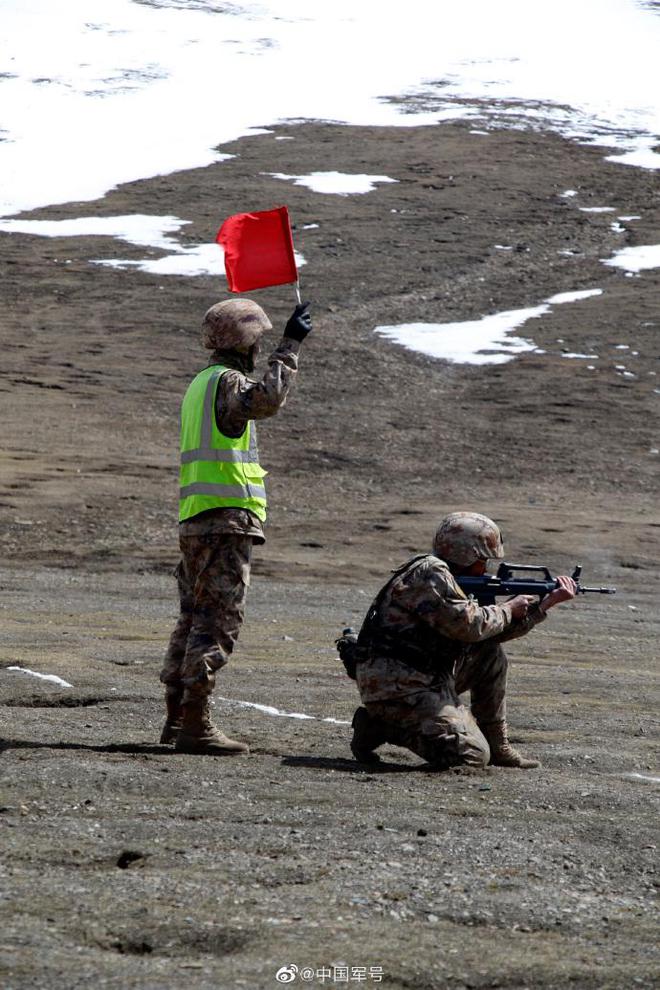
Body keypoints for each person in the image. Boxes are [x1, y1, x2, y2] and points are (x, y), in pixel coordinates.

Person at [159, 297, 312, 755]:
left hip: (198, 519)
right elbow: (265, 401)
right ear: (243, 341)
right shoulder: (227, 382)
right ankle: (195, 727)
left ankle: (176, 720)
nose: (260, 347)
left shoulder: (200, 384)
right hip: (225, 520)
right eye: (258, 339)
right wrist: (291, 347)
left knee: (191, 618)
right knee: (215, 620)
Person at [347, 511, 576, 770]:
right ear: (465, 555)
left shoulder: (445, 577)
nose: (485, 567)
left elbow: (487, 634)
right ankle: (380, 728)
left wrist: (542, 606)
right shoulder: (430, 574)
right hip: (397, 685)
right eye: (482, 559)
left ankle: (497, 742)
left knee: (490, 655)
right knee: (471, 756)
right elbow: (470, 626)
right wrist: (509, 608)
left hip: (424, 675)